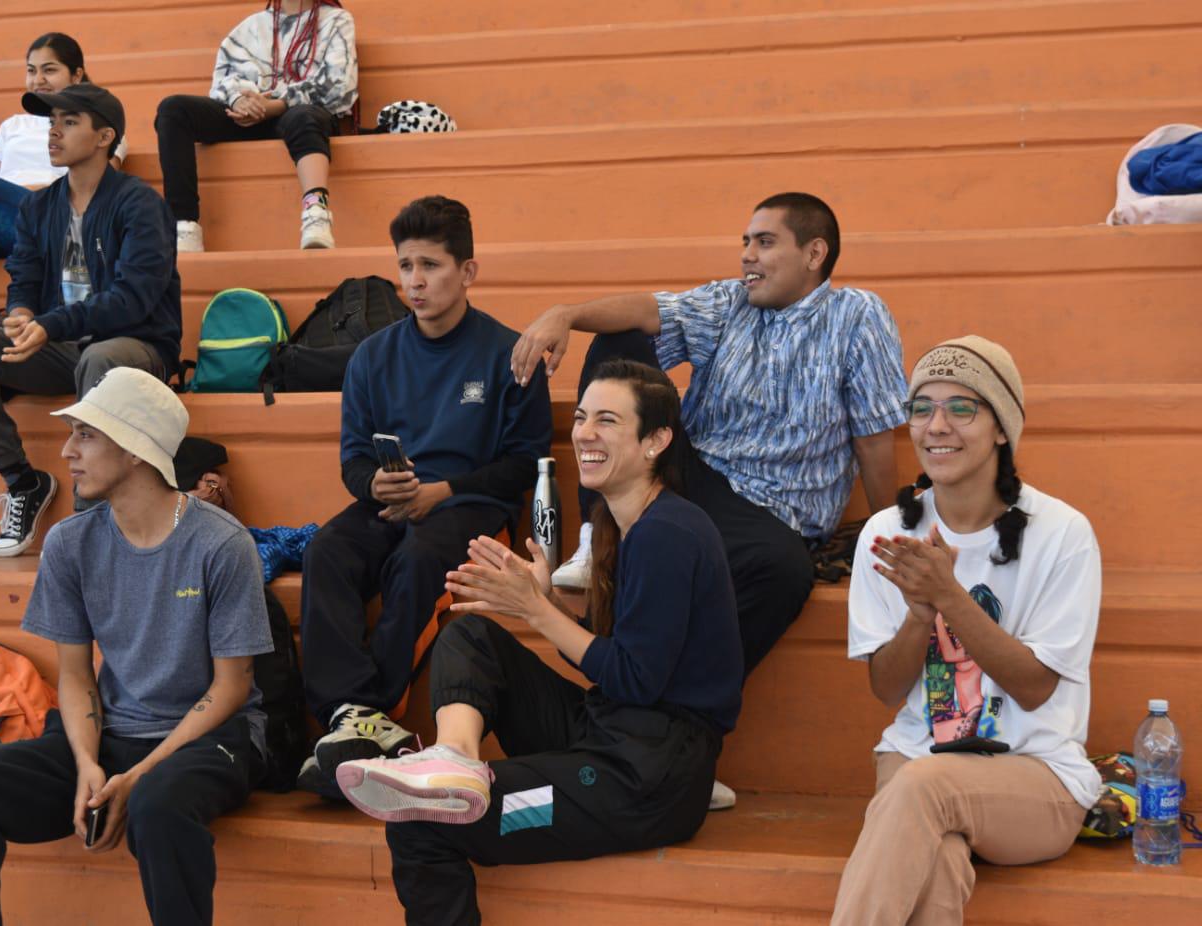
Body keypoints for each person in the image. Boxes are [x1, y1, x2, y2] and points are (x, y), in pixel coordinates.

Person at [512, 192, 908, 807]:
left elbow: (877, 439)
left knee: (786, 571)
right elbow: (648, 310)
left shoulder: (857, 315)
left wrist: (892, 531)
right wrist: (567, 312)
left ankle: (674, 735)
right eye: (745, 242)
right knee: (620, 341)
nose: (747, 255)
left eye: (764, 242)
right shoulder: (729, 300)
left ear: (814, 253)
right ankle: (602, 532)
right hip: (686, 473)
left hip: (774, 512)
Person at [334, 360, 744, 926]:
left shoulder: (668, 533)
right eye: (580, 417)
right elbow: (626, 668)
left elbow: (634, 677)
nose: (584, 433)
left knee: (423, 820)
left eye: (607, 420)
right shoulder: (623, 521)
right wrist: (543, 598)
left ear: (656, 441)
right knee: (473, 632)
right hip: (611, 734)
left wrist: (535, 610)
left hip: (644, 784)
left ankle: (454, 784)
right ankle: (454, 758)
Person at [0, 367, 273, 926]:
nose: (66, 452)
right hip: (108, 735)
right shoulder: (69, 542)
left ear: (136, 450)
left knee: (157, 809)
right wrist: (88, 763)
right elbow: (77, 675)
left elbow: (233, 686)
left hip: (208, 739)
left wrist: (137, 778)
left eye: (86, 435)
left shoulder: (222, 544)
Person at [832, 336, 1102, 925]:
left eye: (961, 408)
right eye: (922, 407)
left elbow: (1034, 688)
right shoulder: (886, 532)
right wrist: (920, 614)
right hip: (916, 762)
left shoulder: (1063, 533)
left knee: (924, 789)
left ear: (1001, 428)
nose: (936, 426)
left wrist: (949, 596)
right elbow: (885, 688)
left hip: (1036, 775)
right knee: (938, 866)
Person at [295, 195, 553, 797]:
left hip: (472, 507)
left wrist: (444, 491)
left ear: (467, 272)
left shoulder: (508, 353)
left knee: (416, 561)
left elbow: (521, 465)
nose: (415, 280)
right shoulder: (371, 356)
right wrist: (373, 484)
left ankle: (375, 713)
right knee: (326, 550)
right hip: (394, 502)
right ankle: (345, 718)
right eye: (406, 265)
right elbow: (354, 459)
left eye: (431, 266)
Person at [0, 82, 181, 558]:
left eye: (69, 122)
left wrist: (52, 323)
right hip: (61, 346)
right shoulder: (38, 206)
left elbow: (134, 299)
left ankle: (91, 513)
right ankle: (23, 482)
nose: (53, 132)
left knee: (101, 358)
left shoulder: (140, 204)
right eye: (52, 123)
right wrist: (22, 314)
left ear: (104, 137)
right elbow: (23, 277)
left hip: (136, 345)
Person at [0, 33, 127, 327]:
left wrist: (8, 191)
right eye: (31, 70)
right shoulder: (14, 124)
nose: (38, 78)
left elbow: (97, 185)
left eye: (50, 69)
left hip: (53, 220)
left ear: (77, 74)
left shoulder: (100, 124)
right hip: (3, 223)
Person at [155, 0, 357, 252]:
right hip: (249, 115)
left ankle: (316, 211)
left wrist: (276, 103)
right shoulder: (250, 27)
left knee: (304, 117)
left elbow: (338, 84)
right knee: (174, 109)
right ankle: (183, 224)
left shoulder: (336, 20)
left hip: (299, 112)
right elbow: (224, 79)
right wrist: (240, 100)